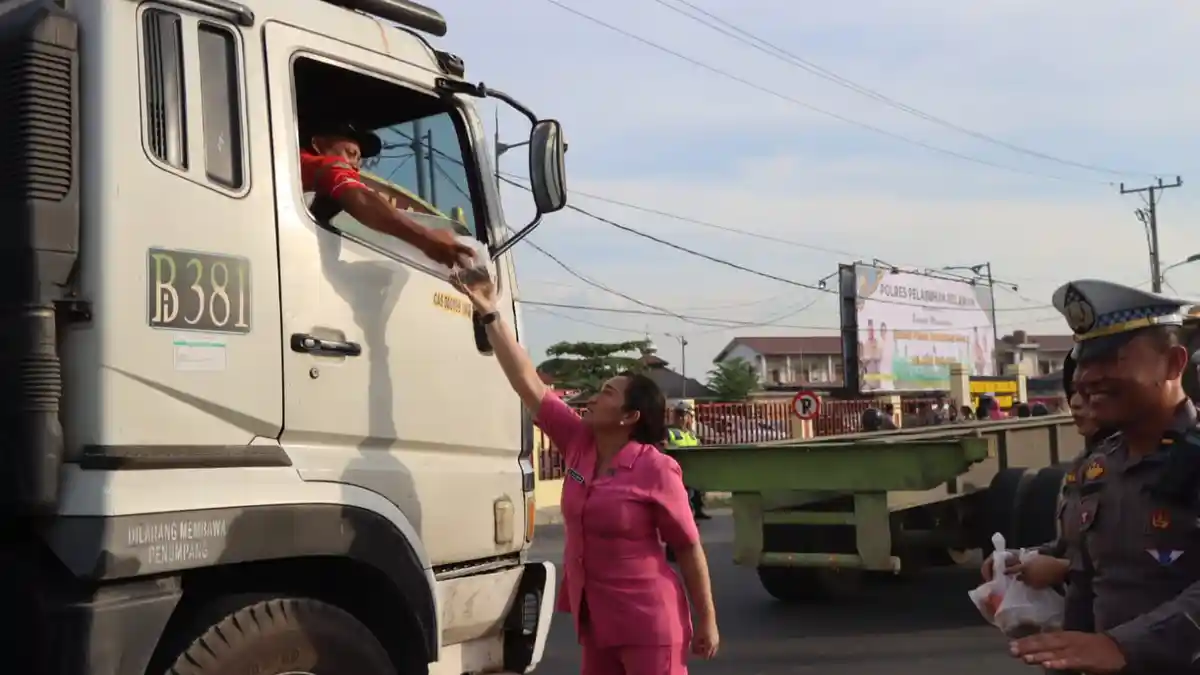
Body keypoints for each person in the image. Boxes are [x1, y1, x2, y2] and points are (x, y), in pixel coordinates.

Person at [450, 272, 719, 674]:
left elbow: (687, 547)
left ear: (630, 417)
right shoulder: (579, 442)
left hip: (649, 622)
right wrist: (490, 315)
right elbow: (528, 383)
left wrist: (707, 619)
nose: (593, 397)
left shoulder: (656, 469)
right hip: (596, 620)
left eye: (607, 393)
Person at [1009, 279, 1200, 674]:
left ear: (1174, 363)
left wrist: (1122, 646)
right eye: (1083, 360)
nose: (1087, 378)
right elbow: (1087, 580)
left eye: (1113, 359)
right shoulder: (1098, 467)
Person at [301, 121, 474, 267]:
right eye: (351, 154)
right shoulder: (316, 165)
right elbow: (361, 198)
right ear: (318, 145)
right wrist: (427, 240)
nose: (355, 166)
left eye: (359, 159)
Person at [666, 402, 708, 520]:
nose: (681, 418)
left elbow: (699, 448)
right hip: (678, 469)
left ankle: (698, 511)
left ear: (689, 418)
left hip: (694, 468)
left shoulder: (692, 435)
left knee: (698, 491)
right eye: (678, 415)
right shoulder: (669, 432)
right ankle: (687, 517)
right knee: (686, 494)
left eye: (684, 415)